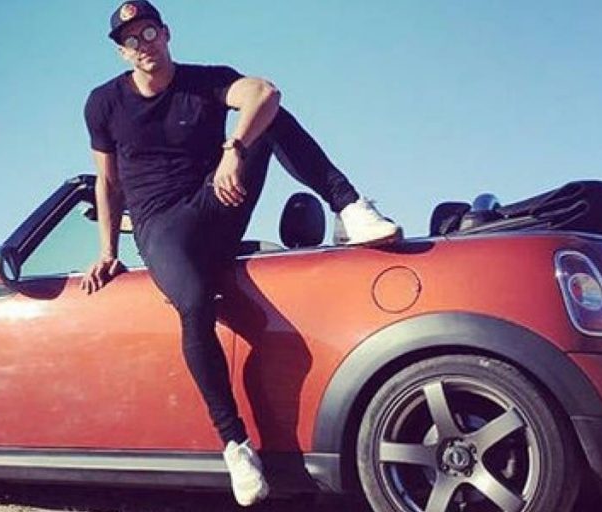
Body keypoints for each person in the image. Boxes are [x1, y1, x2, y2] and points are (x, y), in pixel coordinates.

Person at [80, 1, 401, 506]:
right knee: (194, 303)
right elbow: (108, 182)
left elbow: (264, 92)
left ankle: (349, 205)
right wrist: (107, 249)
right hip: (162, 227)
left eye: (149, 32)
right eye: (132, 40)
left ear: (166, 33)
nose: (143, 45)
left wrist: (234, 149)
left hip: (217, 199)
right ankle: (235, 445)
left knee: (269, 115)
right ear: (122, 53)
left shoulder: (205, 80)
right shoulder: (104, 103)